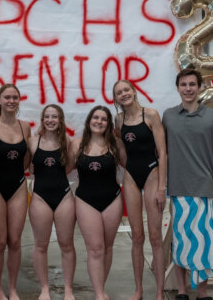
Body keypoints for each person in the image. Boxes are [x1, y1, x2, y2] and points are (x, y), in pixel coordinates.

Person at [162, 68, 213, 300]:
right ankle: (181, 292)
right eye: (183, 84)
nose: (188, 88)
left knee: (204, 243)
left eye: (192, 84)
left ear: (200, 87)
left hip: (205, 189)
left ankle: (202, 293)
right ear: (178, 88)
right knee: (180, 242)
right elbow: (164, 154)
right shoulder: (168, 116)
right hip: (178, 189)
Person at [112, 80, 167, 300]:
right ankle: (138, 290)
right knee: (137, 236)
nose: (123, 94)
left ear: (134, 92)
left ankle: (160, 291)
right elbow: (123, 151)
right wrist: (126, 172)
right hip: (131, 176)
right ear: (115, 98)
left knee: (154, 236)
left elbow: (162, 153)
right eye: (119, 93)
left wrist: (162, 187)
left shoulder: (151, 115)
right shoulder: (118, 119)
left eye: (126, 90)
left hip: (153, 174)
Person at [67, 105, 126, 300]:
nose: (99, 122)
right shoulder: (77, 145)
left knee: (107, 247)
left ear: (108, 124)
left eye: (103, 119)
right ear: (89, 121)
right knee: (95, 248)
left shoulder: (115, 144)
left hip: (112, 199)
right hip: (85, 200)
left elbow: (131, 165)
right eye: (96, 118)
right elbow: (63, 169)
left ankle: (100, 288)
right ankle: (99, 294)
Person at [0, 84, 32, 300]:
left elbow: (27, 158)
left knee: (15, 240)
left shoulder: (25, 127)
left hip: (18, 186)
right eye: (7, 97)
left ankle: (12, 289)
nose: (11, 101)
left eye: (15, 97)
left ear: (18, 100)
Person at [28, 104, 76, 300]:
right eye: (47, 116)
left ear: (60, 120)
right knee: (41, 245)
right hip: (40, 197)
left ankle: (68, 290)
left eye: (54, 117)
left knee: (67, 245)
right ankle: (45, 289)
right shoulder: (32, 142)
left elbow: (69, 167)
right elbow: (30, 168)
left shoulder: (67, 141)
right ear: (42, 119)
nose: (50, 120)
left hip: (63, 195)